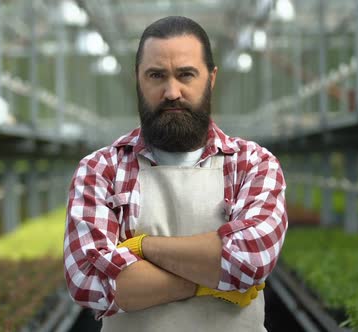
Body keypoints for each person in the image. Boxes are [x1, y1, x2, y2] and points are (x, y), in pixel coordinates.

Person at [64, 16, 287, 332]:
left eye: (186, 75)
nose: (171, 91)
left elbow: (249, 260)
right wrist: (210, 284)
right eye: (156, 75)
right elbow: (89, 280)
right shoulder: (101, 170)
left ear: (211, 79)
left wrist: (141, 247)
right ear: (137, 80)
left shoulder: (253, 164)